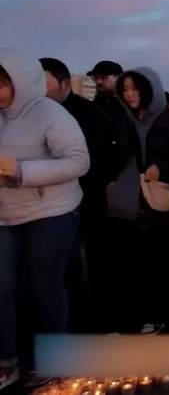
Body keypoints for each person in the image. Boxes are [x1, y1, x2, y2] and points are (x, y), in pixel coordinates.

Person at [0, 56, 89, 390]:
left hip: (50, 211)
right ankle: (7, 360)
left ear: (18, 81)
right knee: (2, 287)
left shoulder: (50, 113)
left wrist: (22, 170)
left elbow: (79, 161)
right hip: (4, 215)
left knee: (44, 284)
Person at [97, 67, 169, 334]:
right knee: (128, 263)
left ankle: (157, 315)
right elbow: (108, 154)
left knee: (158, 262)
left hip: (158, 199)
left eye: (136, 88)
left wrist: (161, 166)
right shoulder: (120, 119)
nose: (130, 95)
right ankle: (131, 316)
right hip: (125, 201)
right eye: (126, 89)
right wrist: (111, 181)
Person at [40, 57, 114, 331]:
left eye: (44, 82)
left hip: (85, 201)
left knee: (85, 267)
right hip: (44, 208)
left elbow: (102, 160)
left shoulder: (90, 115)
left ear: (64, 83)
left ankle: (88, 324)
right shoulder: (31, 114)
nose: (39, 89)